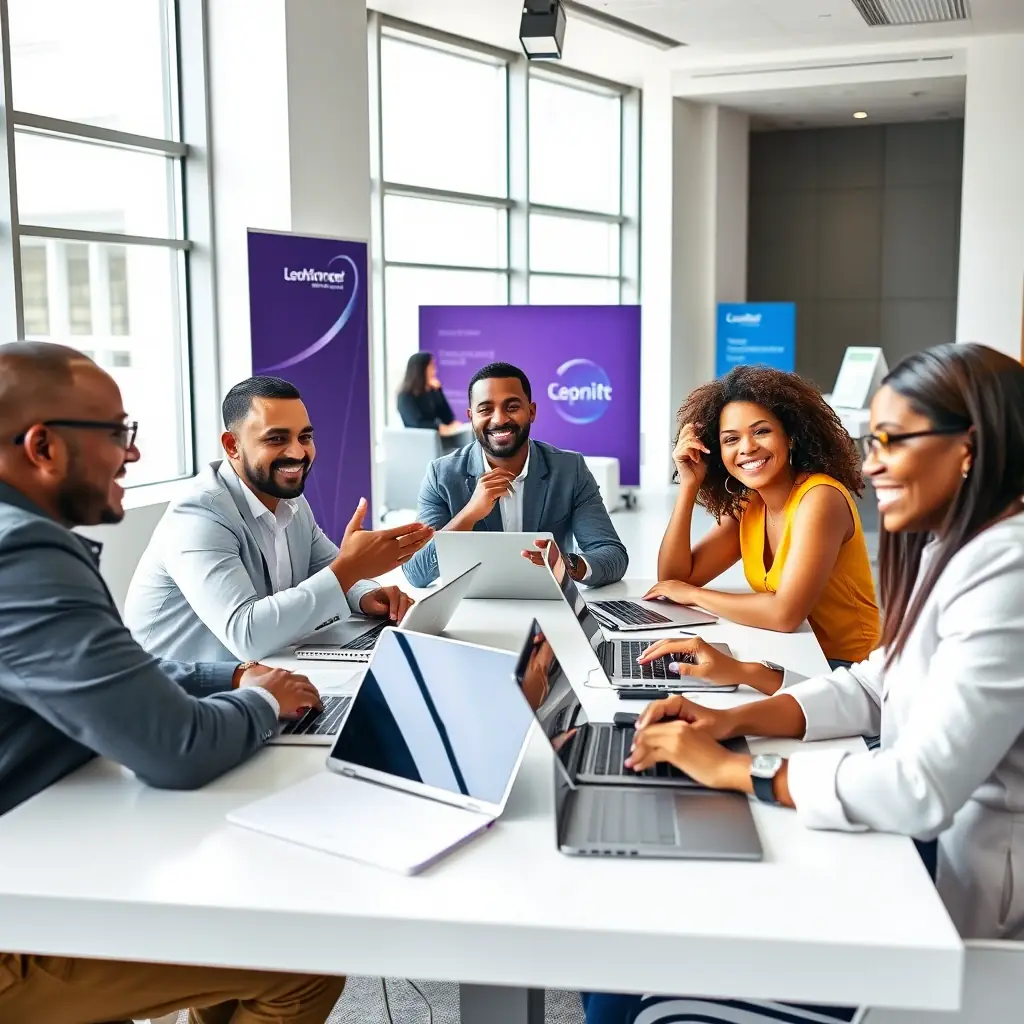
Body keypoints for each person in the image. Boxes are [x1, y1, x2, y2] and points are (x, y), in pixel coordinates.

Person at [585, 342, 1024, 1024]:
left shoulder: (1009, 572)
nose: (871, 463)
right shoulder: (953, 547)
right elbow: (876, 686)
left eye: (891, 440)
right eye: (868, 440)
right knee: (631, 954)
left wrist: (746, 773)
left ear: (968, 448)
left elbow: (921, 787)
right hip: (927, 866)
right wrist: (732, 722)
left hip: (957, 919)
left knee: (628, 983)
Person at [0, 342, 345, 1023]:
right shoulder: (24, 556)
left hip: (41, 845)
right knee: (302, 959)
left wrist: (229, 674)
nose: (130, 455)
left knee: (224, 906)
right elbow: (177, 750)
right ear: (42, 446)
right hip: (18, 919)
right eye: (116, 434)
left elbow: (111, 664)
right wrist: (264, 700)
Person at [125, 376, 433, 663]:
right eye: (276, 439)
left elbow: (325, 568)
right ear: (233, 446)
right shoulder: (198, 515)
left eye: (305, 437)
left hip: (253, 680)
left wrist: (366, 594)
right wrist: (351, 568)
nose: (298, 452)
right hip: (177, 699)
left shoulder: (290, 501)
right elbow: (246, 634)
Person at [652, 365, 879, 672]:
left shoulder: (820, 498)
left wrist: (694, 595)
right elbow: (673, 579)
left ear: (791, 437)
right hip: (790, 651)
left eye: (761, 431)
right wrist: (689, 484)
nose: (747, 448)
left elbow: (785, 614)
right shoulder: (750, 503)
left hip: (846, 669)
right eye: (731, 439)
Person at [402, 361, 628, 589]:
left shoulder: (570, 469)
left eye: (511, 407)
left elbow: (613, 555)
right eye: (486, 409)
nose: (499, 419)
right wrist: (468, 516)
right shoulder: (441, 475)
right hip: (471, 611)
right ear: (471, 417)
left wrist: (565, 564)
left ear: (531, 412)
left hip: (550, 609)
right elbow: (415, 572)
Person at [396, 351, 468, 449]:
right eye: (431, 366)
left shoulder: (431, 391)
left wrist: (438, 392)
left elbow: (447, 417)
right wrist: (440, 428)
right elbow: (415, 423)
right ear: (421, 370)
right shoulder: (405, 396)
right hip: (418, 442)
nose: (435, 371)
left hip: (434, 440)